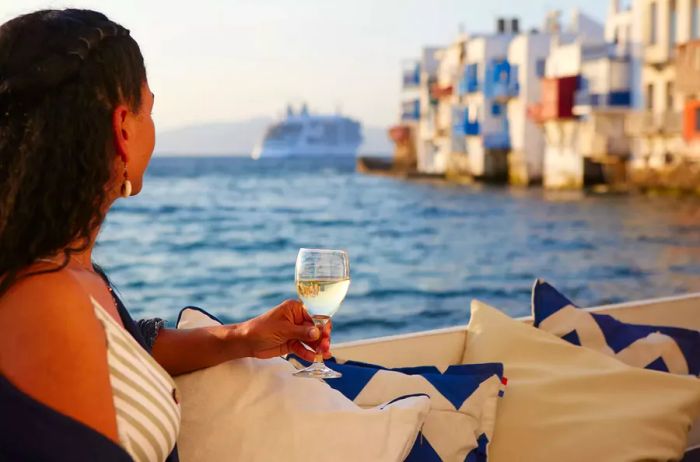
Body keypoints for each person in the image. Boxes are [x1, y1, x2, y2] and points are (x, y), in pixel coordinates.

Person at [0, 9, 331, 462]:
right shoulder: (50, 303)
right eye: (149, 110)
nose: (153, 127)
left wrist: (244, 337)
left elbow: (130, 346)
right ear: (123, 131)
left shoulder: (63, 266)